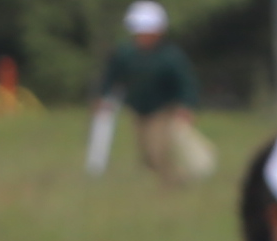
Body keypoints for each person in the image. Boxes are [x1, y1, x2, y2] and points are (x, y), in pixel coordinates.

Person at [90, 1, 209, 175]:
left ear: (158, 32)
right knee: (147, 156)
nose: (143, 36)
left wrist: (187, 106)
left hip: (163, 110)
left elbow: (187, 83)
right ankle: (172, 178)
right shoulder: (125, 54)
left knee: (157, 151)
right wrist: (104, 97)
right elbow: (111, 77)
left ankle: (175, 181)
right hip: (138, 110)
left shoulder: (171, 57)